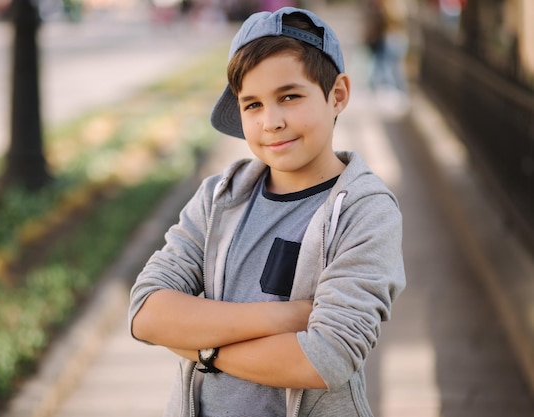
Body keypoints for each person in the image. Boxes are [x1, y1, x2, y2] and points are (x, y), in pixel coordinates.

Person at [129, 7, 406, 417]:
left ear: (338, 95)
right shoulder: (219, 196)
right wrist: (283, 317)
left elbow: (324, 358)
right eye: (252, 105)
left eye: (289, 97)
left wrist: (199, 343)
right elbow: (146, 312)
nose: (271, 122)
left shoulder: (365, 212)